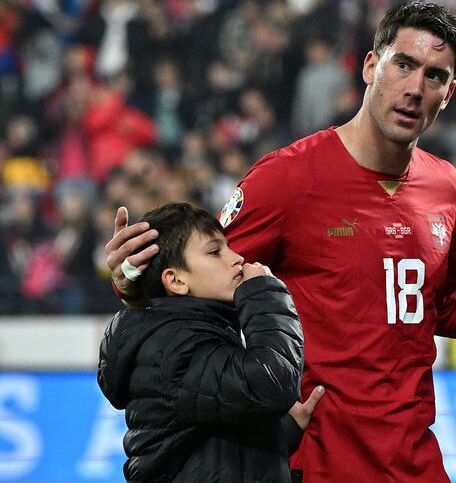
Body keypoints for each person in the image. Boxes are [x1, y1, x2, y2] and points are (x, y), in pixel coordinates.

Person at [106, 2, 456, 483]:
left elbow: (444, 304)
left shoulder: (445, 185)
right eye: (403, 65)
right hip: (317, 463)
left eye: (434, 76)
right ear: (371, 66)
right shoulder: (287, 179)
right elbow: (201, 283)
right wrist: (133, 283)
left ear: (450, 93)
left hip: (415, 462)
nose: (415, 87)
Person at [97, 202, 324, 483]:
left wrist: (280, 431)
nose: (237, 258)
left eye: (228, 247)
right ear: (176, 280)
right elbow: (271, 384)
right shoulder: (173, 345)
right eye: (215, 252)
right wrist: (265, 293)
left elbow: (208, 447)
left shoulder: (198, 332)